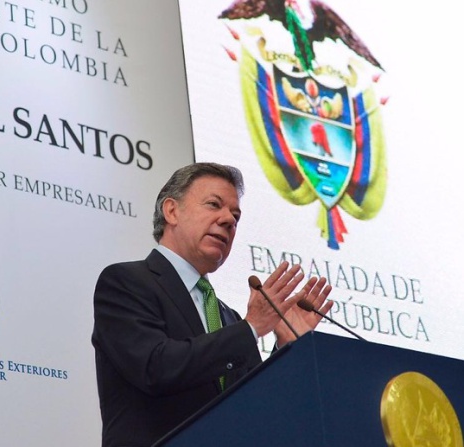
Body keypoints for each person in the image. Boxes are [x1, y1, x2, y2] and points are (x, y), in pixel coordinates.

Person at [91, 162, 333, 447]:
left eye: (235, 216)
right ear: (172, 211)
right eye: (214, 205)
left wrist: (286, 348)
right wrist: (252, 327)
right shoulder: (126, 282)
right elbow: (155, 368)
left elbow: (258, 410)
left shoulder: (229, 318)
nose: (229, 220)